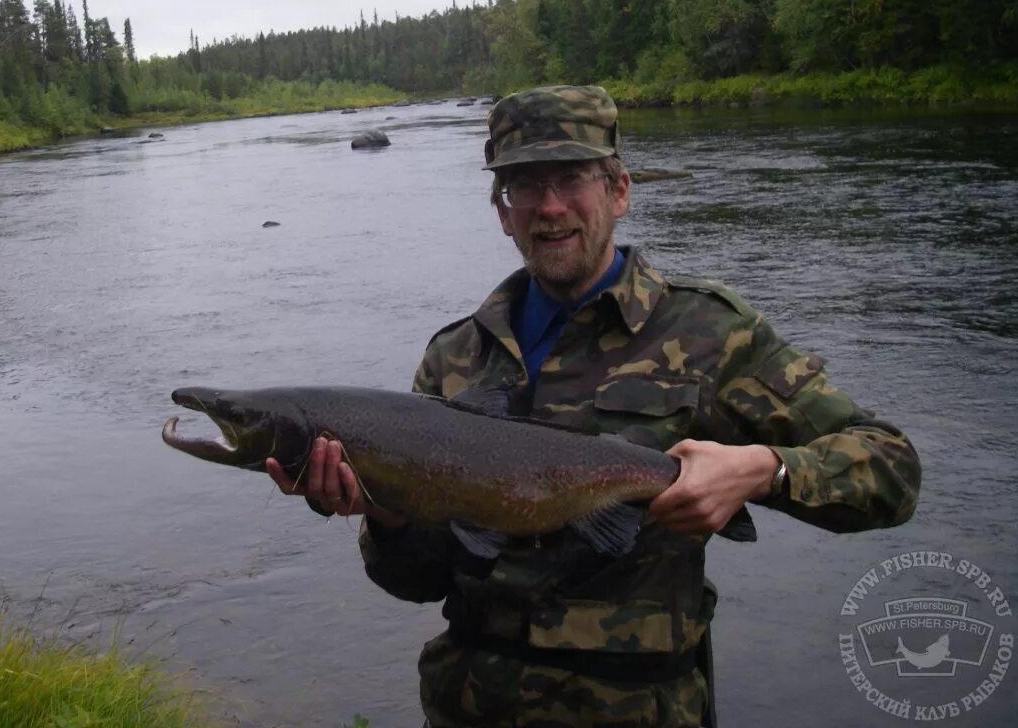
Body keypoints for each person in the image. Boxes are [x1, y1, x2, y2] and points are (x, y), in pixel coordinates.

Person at [267, 84, 921, 728]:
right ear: (501, 209)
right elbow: (421, 579)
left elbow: (891, 472)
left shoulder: (710, 331)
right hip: (469, 707)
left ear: (619, 191)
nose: (550, 207)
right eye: (525, 185)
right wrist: (386, 517)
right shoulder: (454, 357)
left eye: (572, 179)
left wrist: (764, 470)